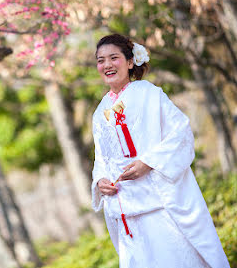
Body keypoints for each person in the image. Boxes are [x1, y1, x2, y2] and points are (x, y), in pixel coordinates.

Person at [91, 33, 230, 268]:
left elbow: (181, 133)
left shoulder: (149, 94)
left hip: (158, 205)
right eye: (100, 60)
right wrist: (100, 181)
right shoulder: (100, 112)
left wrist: (148, 163)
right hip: (127, 212)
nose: (106, 65)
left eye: (113, 58)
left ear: (129, 62)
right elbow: (101, 158)